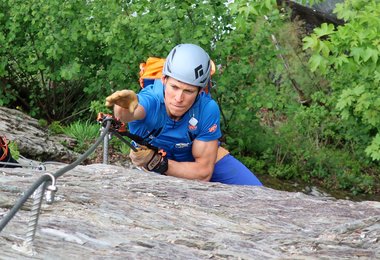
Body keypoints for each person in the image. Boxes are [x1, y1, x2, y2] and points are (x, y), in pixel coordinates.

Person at [105, 43, 262, 186]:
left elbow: (203, 173)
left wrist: (158, 163)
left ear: (200, 91)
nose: (179, 98)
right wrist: (121, 107)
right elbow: (129, 114)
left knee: (258, 193)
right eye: (174, 87)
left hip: (197, 160)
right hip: (153, 159)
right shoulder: (152, 99)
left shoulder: (207, 109)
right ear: (164, 79)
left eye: (188, 91)